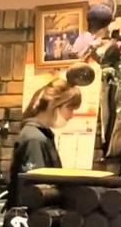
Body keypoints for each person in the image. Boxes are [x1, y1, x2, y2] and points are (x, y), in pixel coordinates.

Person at [8, 77, 82, 207]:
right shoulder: (34, 138)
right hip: (30, 217)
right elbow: (38, 191)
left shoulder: (41, 135)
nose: (72, 115)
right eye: (70, 108)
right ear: (53, 104)